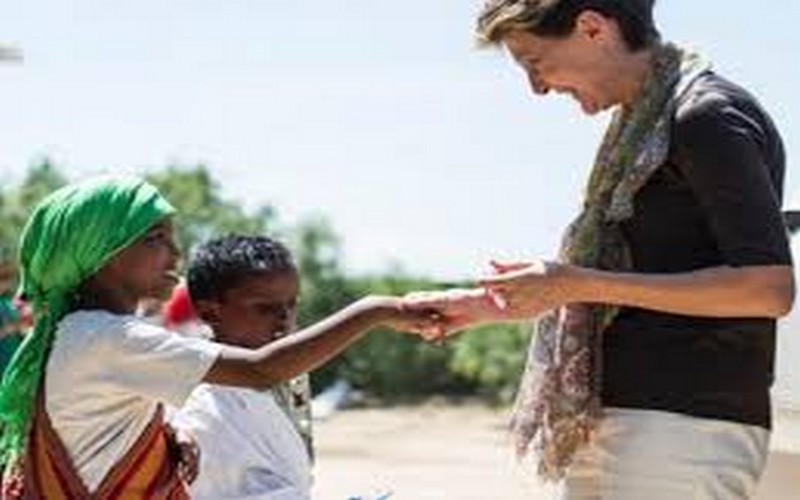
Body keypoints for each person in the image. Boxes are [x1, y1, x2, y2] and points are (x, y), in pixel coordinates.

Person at [407, 1, 794, 498]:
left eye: (535, 62)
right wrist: (489, 304)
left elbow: (766, 288)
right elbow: (643, 275)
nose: (537, 88)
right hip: (613, 416)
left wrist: (574, 283)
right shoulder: (641, 130)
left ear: (592, 28)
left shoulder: (706, 116)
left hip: (683, 426)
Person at [0, 176, 439, 498]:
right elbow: (262, 369)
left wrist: (167, 441)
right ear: (100, 252)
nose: (175, 254)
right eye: (156, 238)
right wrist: (376, 310)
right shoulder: (109, 338)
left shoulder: (79, 334)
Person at [172, 235, 316, 499]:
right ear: (210, 313)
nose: (285, 320)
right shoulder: (201, 406)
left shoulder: (291, 379)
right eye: (264, 309)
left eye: (292, 304)